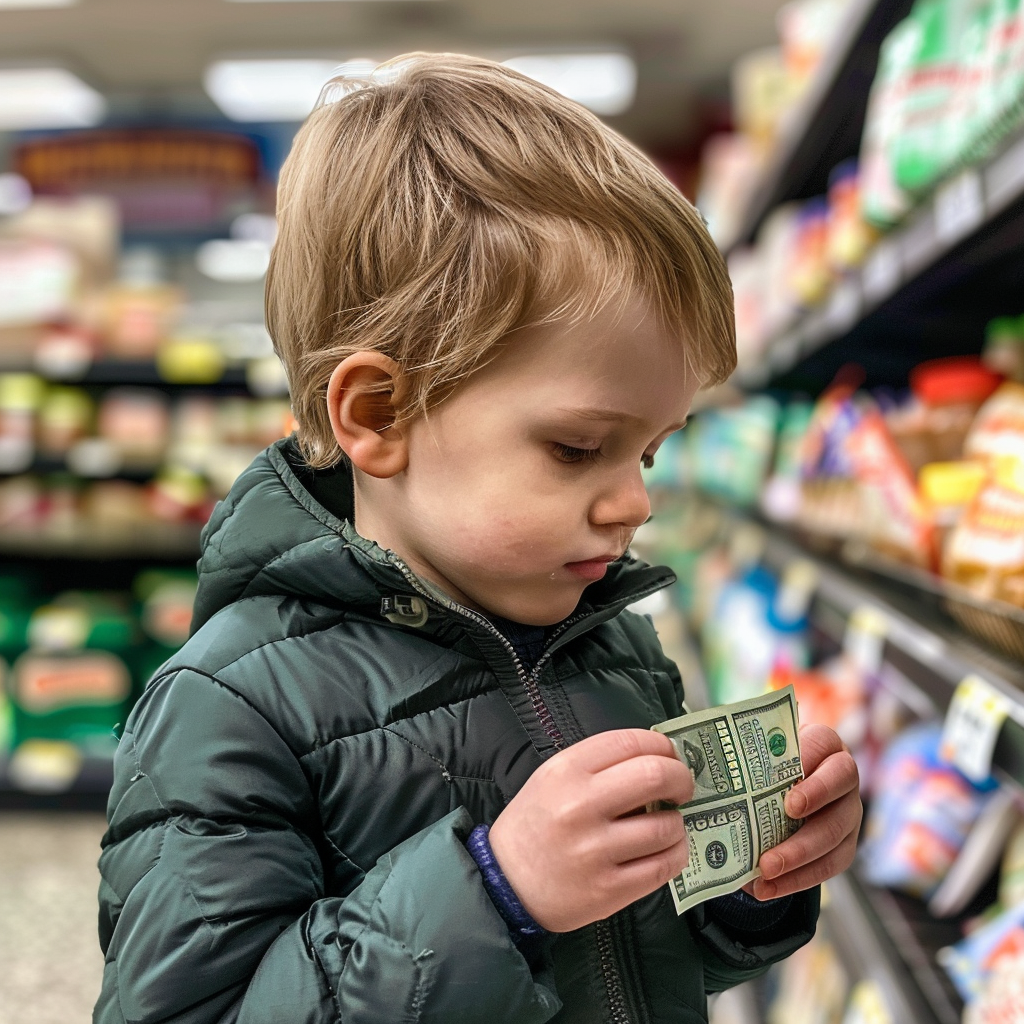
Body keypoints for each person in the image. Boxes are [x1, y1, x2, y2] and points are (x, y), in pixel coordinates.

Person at [94, 53, 861, 1024]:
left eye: (651, 453)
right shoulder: (231, 707)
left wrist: (754, 884)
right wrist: (493, 893)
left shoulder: (609, 644)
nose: (633, 505)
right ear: (378, 414)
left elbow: (640, 959)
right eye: (578, 447)